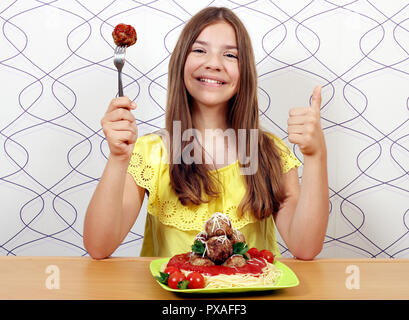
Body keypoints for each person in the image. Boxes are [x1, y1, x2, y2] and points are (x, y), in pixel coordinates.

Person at [83, 7, 329, 260]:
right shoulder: (152, 152)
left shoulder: (269, 152)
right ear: (181, 63)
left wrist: (316, 155)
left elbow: (305, 246)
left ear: (245, 72)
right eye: (200, 50)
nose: (213, 63)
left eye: (230, 55)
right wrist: (118, 158)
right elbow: (99, 246)